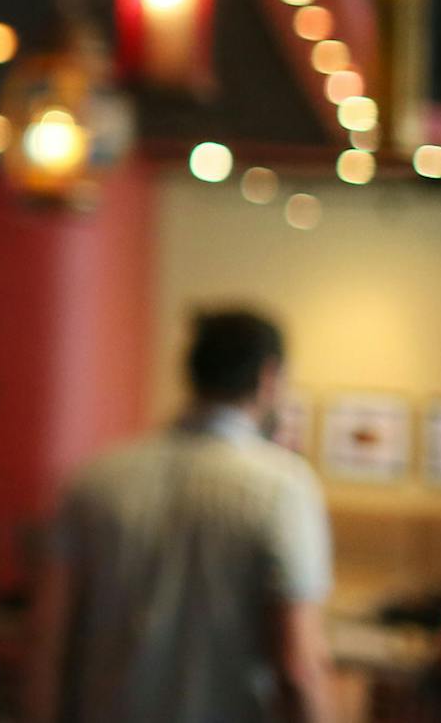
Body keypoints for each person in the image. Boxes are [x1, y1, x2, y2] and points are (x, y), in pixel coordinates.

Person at [23, 308, 335, 723]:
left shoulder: (93, 480)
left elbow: (47, 638)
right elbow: (299, 666)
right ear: (269, 376)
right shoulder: (285, 490)